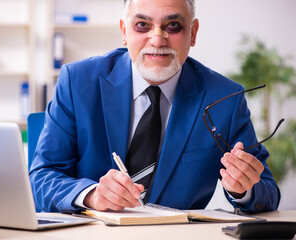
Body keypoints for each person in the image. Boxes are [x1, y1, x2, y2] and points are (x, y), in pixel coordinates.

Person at [29, 0, 280, 213]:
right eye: (142, 25)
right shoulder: (77, 81)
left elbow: (268, 192)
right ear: (124, 31)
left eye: (173, 26)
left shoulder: (225, 98)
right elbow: (41, 178)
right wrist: (91, 195)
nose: (157, 39)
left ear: (193, 33)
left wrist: (243, 188)